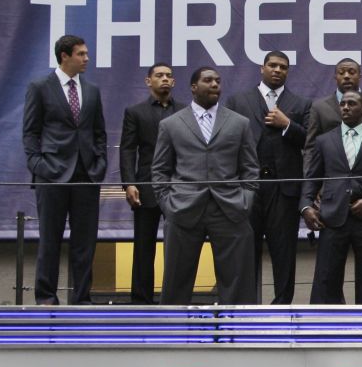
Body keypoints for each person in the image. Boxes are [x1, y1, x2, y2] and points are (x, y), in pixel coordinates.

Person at [152, 67, 260, 305]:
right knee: (176, 279)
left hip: (231, 208)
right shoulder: (171, 124)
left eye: (218, 81)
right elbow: (160, 170)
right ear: (193, 87)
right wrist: (168, 205)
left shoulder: (239, 122)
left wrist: (246, 199)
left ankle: (236, 332)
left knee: (237, 279)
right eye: (208, 80)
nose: (215, 85)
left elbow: (250, 168)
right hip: (183, 207)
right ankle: (175, 334)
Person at [22, 34, 107, 305]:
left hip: (86, 175)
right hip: (51, 175)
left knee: (85, 242)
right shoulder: (40, 87)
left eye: (86, 53)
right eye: (81, 54)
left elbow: (99, 132)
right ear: (64, 56)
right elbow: (30, 132)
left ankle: (82, 298)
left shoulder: (92, 90)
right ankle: (46, 297)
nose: (86, 59)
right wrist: (37, 165)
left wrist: (99, 165)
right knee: (50, 239)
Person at [224, 51, 312, 305]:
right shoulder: (238, 101)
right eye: (272, 65)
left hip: (283, 190)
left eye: (283, 67)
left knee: (284, 253)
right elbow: (227, 143)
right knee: (245, 251)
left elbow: (312, 142)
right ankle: (246, 307)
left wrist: (287, 124)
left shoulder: (301, 104)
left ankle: (282, 306)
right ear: (262, 68)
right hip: (247, 187)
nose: (277, 70)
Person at [300, 91, 362, 304]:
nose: (345, 107)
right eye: (342, 104)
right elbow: (312, 178)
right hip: (332, 218)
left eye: (351, 104)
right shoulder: (324, 141)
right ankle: (325, 332)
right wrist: (306, 207)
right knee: (326, 280)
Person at [119, 62, 182, 304]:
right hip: (145, 186)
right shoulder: (135, 112)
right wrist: (129, 183)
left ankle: (175, 297)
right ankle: (141, 300)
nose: (164, 79)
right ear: (148, 81)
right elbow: (127, 150)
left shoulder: (186, 111)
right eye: (159, 75)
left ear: (173, 82)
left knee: (178, 246)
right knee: (144, 246)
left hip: (179, 186)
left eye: (168, 76)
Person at [304, 58, 362, 166]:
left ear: (360, 76)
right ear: (335, 77)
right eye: (341, 73)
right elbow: (311, 148)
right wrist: (309, 180)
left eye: (351, 72)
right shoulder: (319, 107)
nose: (346, 76)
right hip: (331, 177)